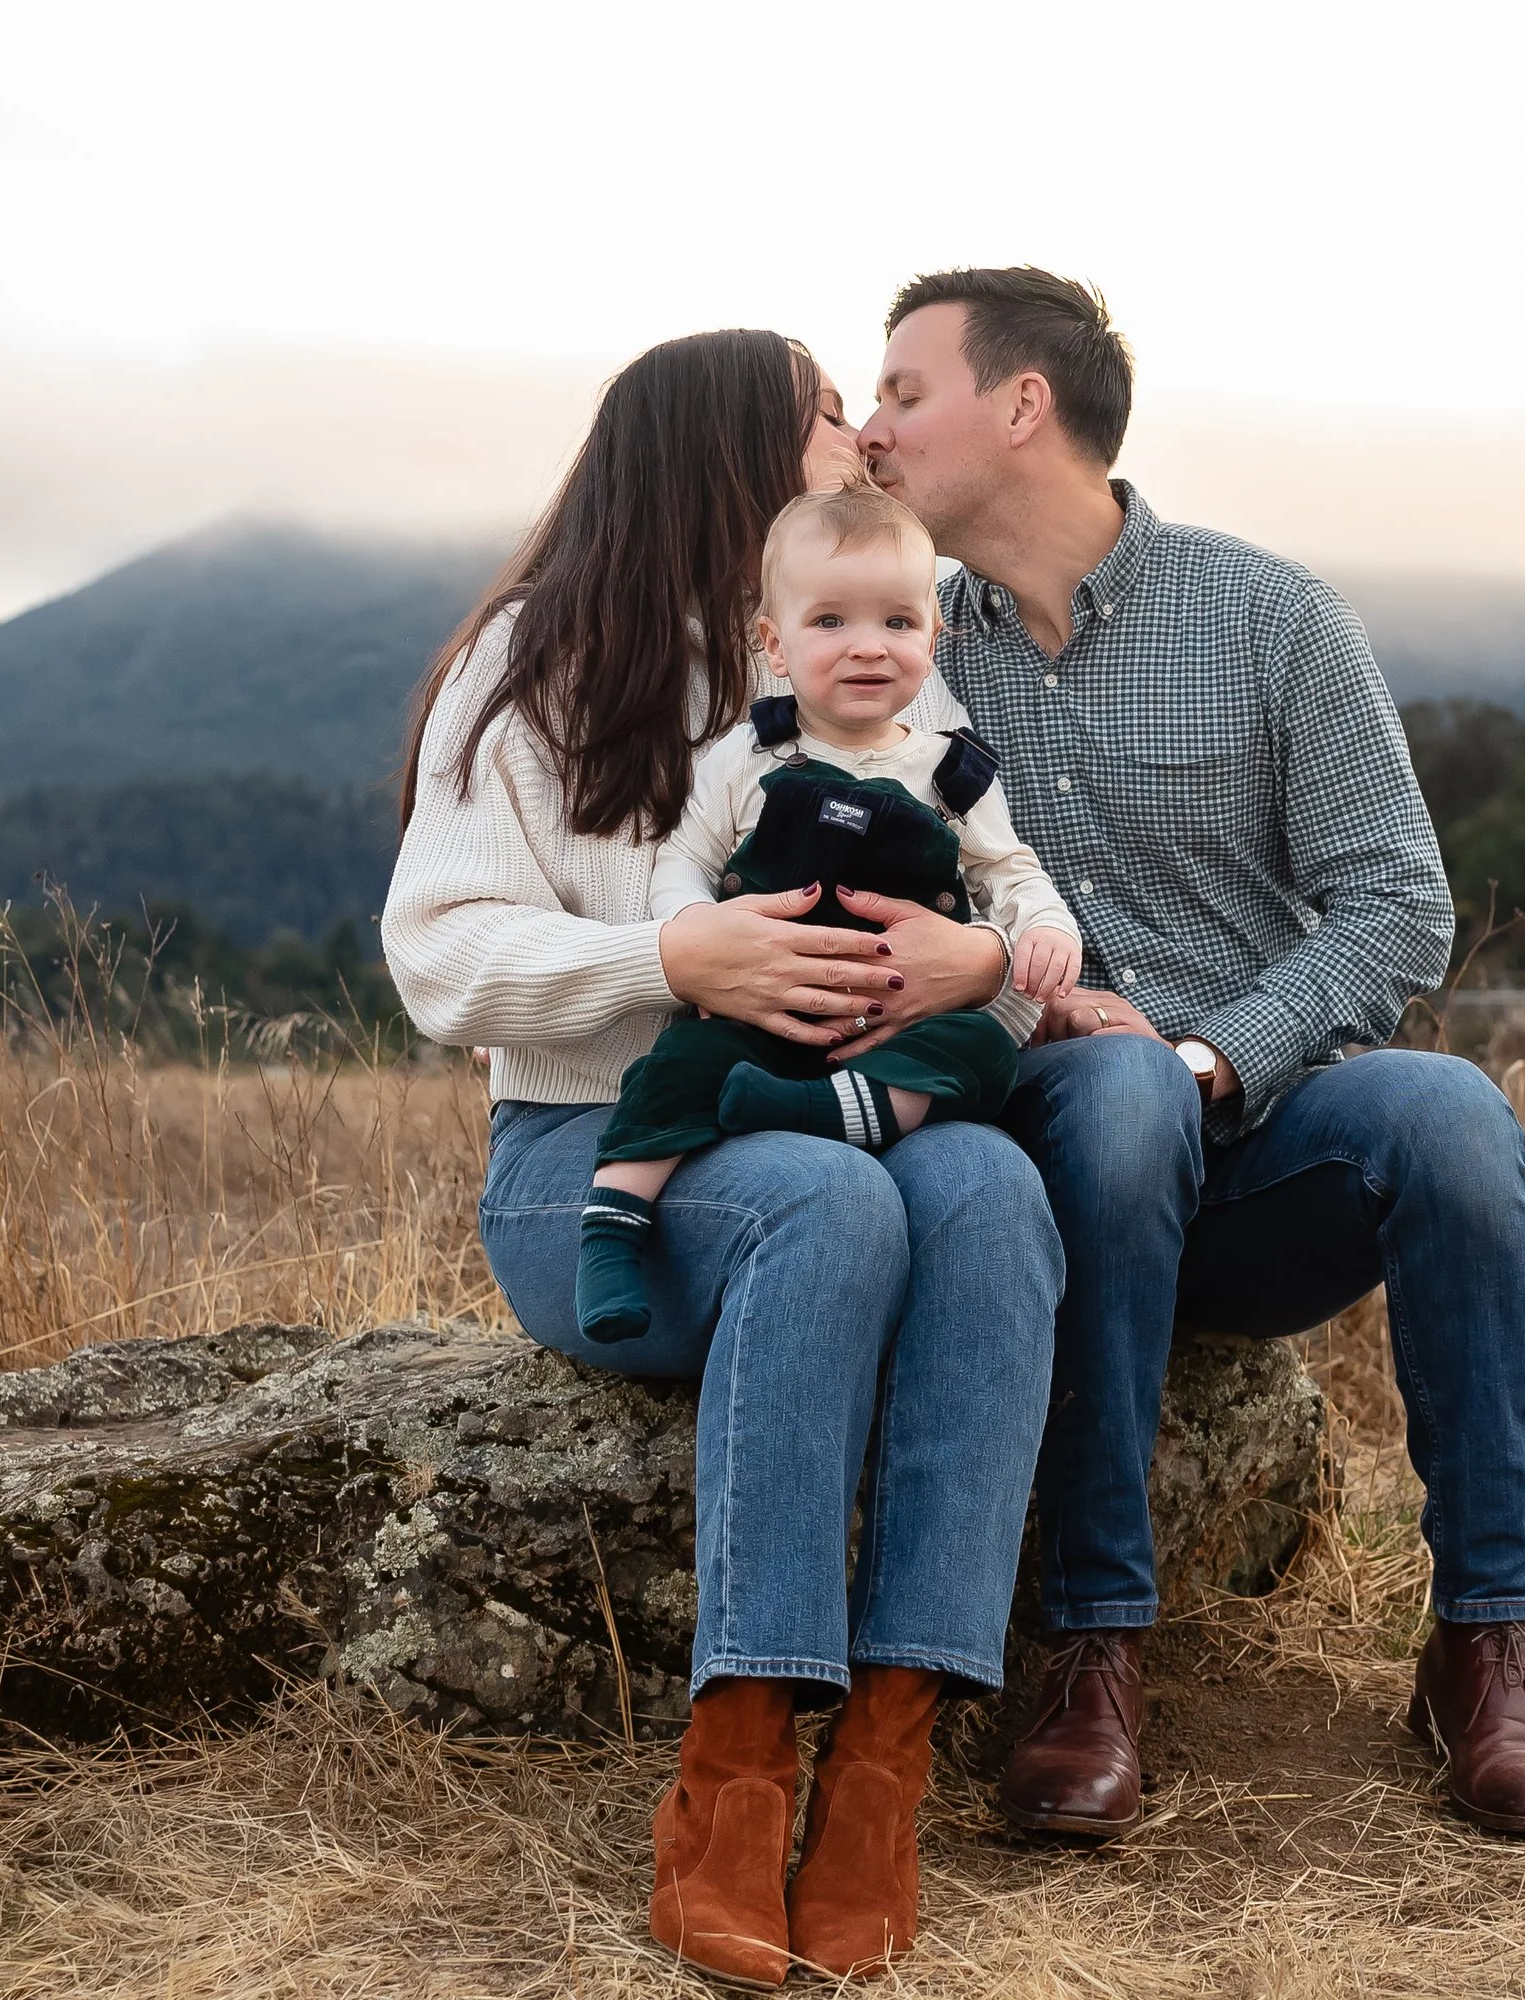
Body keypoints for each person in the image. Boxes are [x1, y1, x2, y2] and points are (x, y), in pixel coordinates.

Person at [855, 268, 1525, 1840]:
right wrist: (1051, 1014)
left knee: (1451, 1115)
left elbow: (1399, 905)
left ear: (1024, 406)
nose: (874, 426)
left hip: (1258, 1154)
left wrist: (1216, 1058)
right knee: (1119, 1090)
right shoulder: (902, 649)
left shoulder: (1268, 616)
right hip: (1042, 1160)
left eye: (906, 392)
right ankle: (1094, 1651)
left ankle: (1483, 1645)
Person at [383, 329, 1063, 1988]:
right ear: (730, 450)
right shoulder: (533, 661)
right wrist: (669, 960)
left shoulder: (863, 644)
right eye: (827, 412)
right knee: (828, 1205)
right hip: (589, 1153)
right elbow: (437, 957)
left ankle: (885, 1766)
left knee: (992, 1193)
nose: (858, 438)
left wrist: (985, 963)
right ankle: (736, 1774)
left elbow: (998, 881)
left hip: (845, 1115)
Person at [576, 478, 1083, 1344]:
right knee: (677, 1065)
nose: (868, 647)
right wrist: (697, 932)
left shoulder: (951, 773)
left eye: (899, 622)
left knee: (980, 1051)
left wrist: (1041, 928)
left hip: (893, 1028)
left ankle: (838, 1110)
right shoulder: (748, 755)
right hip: (759, 1014)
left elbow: (1011, 872)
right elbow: (683, 862)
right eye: (831, 622)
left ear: (934, 636)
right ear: (775, 645)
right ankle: (614, 1230)